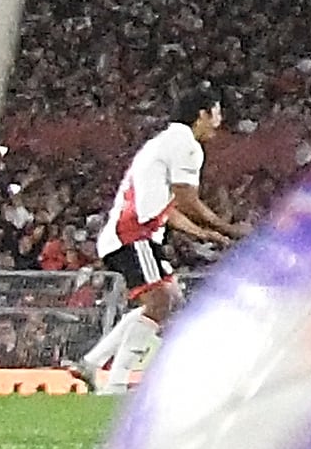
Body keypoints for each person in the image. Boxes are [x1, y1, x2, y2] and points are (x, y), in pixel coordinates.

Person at [73, 99, 235, 390]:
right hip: (133, 234)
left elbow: (168, 209)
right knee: (160, 302)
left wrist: (205, 234)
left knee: (170, 299)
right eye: (217, 113)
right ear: (201, 114)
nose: (219, 122)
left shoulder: (164, 142)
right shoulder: (185, 145)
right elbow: (186, 199)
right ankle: (117, 384)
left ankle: (92, 362)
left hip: (134, 233)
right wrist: (227, 227)